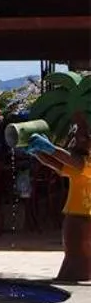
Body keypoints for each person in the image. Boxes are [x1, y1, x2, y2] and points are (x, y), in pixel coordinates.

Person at [29, 114, 91, 284]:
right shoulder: (80, 166)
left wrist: (50, 148)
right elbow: (57, 165)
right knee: (73, 260)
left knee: (77, 260)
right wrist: (38, 153)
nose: (72, 137)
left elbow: (67, 159)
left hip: (81, 219)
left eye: (76, 134)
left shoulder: (85, 163)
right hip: (78, 218)